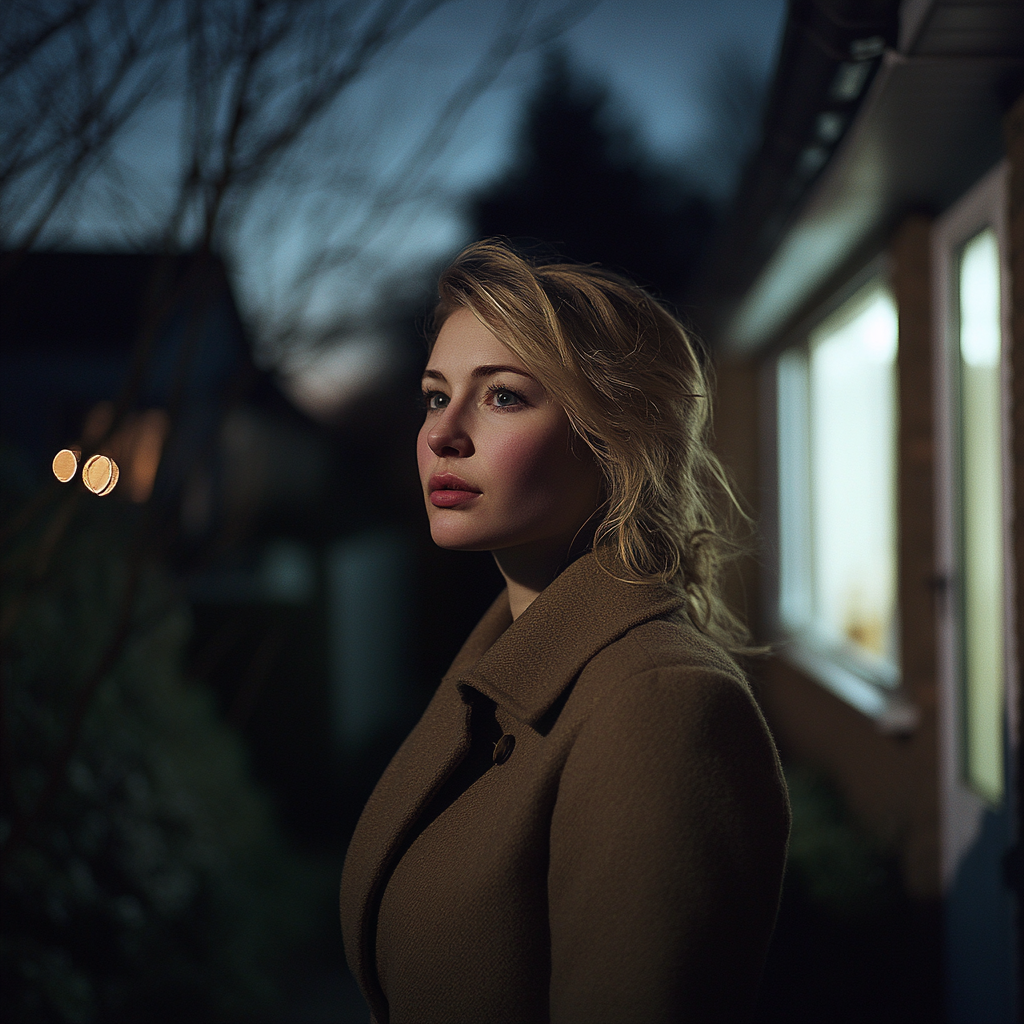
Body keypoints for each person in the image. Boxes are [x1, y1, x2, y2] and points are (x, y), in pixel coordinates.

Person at [340, 240, 790, 1024]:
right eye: (435, 395)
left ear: (613, 437)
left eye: (504, 396)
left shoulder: (662, 705)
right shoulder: (491, 671)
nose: (445, 433)